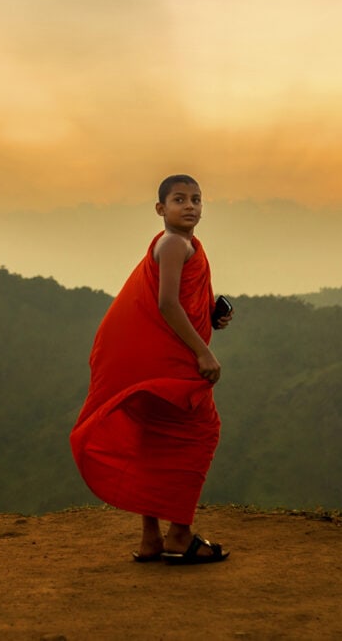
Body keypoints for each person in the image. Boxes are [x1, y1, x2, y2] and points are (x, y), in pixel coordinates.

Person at [69, 174, 233, 565]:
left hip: (158, 357)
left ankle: (151, 539)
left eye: (196, 199)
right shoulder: (174, 243)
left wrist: (210, 314)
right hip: (170, 357)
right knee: (201, 430)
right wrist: (203, 353)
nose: (190, 206)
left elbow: (181, 299)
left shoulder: (184, 244)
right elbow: (166, 305)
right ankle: (179, 532)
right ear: (161, 209)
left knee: (153, 438)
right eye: (179, 199)